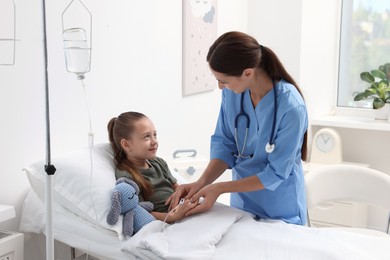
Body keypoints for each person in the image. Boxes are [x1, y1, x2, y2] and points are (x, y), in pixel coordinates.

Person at [167, 31, 308, 225]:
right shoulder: (233, 92)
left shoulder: (291, 107)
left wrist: (220, 188)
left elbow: (276, 172)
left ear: (248, 73)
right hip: (242, 203)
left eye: (223, 80)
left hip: (280, 207)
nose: (219, 86)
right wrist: (201, 183)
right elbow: (225, 144)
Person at [107, 111, 196, 223]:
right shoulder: (126, 175)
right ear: (126, 144)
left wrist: (187, 201)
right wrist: (172, 216)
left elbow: (177, 188)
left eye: (155, 135)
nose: (154, 141)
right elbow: (139, 211)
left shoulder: (159, 163)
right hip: (166, 220)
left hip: (181, 211)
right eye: (146, 137)